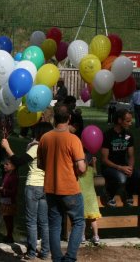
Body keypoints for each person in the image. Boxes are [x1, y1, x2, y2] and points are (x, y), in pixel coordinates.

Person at [38, 104, 86, 262]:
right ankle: (70, 257)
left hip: (51, 189)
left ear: (54, 118)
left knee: (54, 225)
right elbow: (81, 167)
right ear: (69, 118)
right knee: (79, 222)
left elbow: (40, 165)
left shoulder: (45, 138)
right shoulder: (73, 139)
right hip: (70, 189)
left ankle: (57, 259)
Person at [1, 122, 53, 259]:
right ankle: (45, 252)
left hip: (33, 186)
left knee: (31, 221)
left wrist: (7, 148)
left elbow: (18, 161)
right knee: (44, 222)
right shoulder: (51, 147)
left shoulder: (37, 147)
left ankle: (31, 253)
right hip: (45, 187)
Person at [101, 108, 140, 207]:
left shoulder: (129, 135)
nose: (130, 123)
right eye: (127, 121)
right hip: (109, 167)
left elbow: (131, 156)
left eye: (131, 120)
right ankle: (109, 194)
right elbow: (104, 160)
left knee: (136, 175)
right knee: (121, 179)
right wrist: (120, 168)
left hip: (123, 166)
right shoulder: (107, 135)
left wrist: (130, 168)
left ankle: (128, 193)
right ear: (119, 120)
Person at [79, 152, 101, 245]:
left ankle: (82, 237)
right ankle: (96, 237)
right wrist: (94, 163)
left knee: (82, 218)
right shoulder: (91, 170)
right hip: (91, 198)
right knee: (93, 219)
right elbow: (96, 172)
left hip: (81, 197)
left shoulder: (79, 172)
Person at [0, 158, 19, 244]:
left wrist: (3, 190)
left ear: (13, 167)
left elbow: (14, 191)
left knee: (9, 219)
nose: (4, 166)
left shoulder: (13, 177)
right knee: (6, 219)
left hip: (10, 202)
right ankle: (9, 235)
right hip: (5, 200)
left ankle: (10, 236)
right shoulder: (7, 174)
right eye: (4, 164)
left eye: (7, 164)